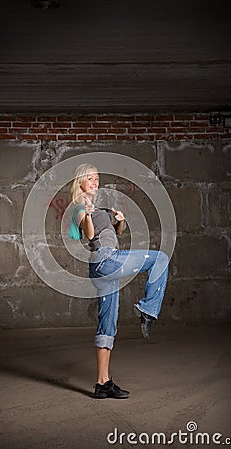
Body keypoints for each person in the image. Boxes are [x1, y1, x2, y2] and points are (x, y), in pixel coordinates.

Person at [68, 163, 169, 399]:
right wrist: (87, 210)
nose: (95, 182)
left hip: (105, 269)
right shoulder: (79, 208)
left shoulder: (97, 207)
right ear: (80, 182)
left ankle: (102, 383)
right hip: (105, 261)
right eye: (90, 178)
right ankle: (148, 309)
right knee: (160, 259)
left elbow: (115, 232)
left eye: (97, 178)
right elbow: (91, 235)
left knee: (108, 324)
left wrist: (120, 220)